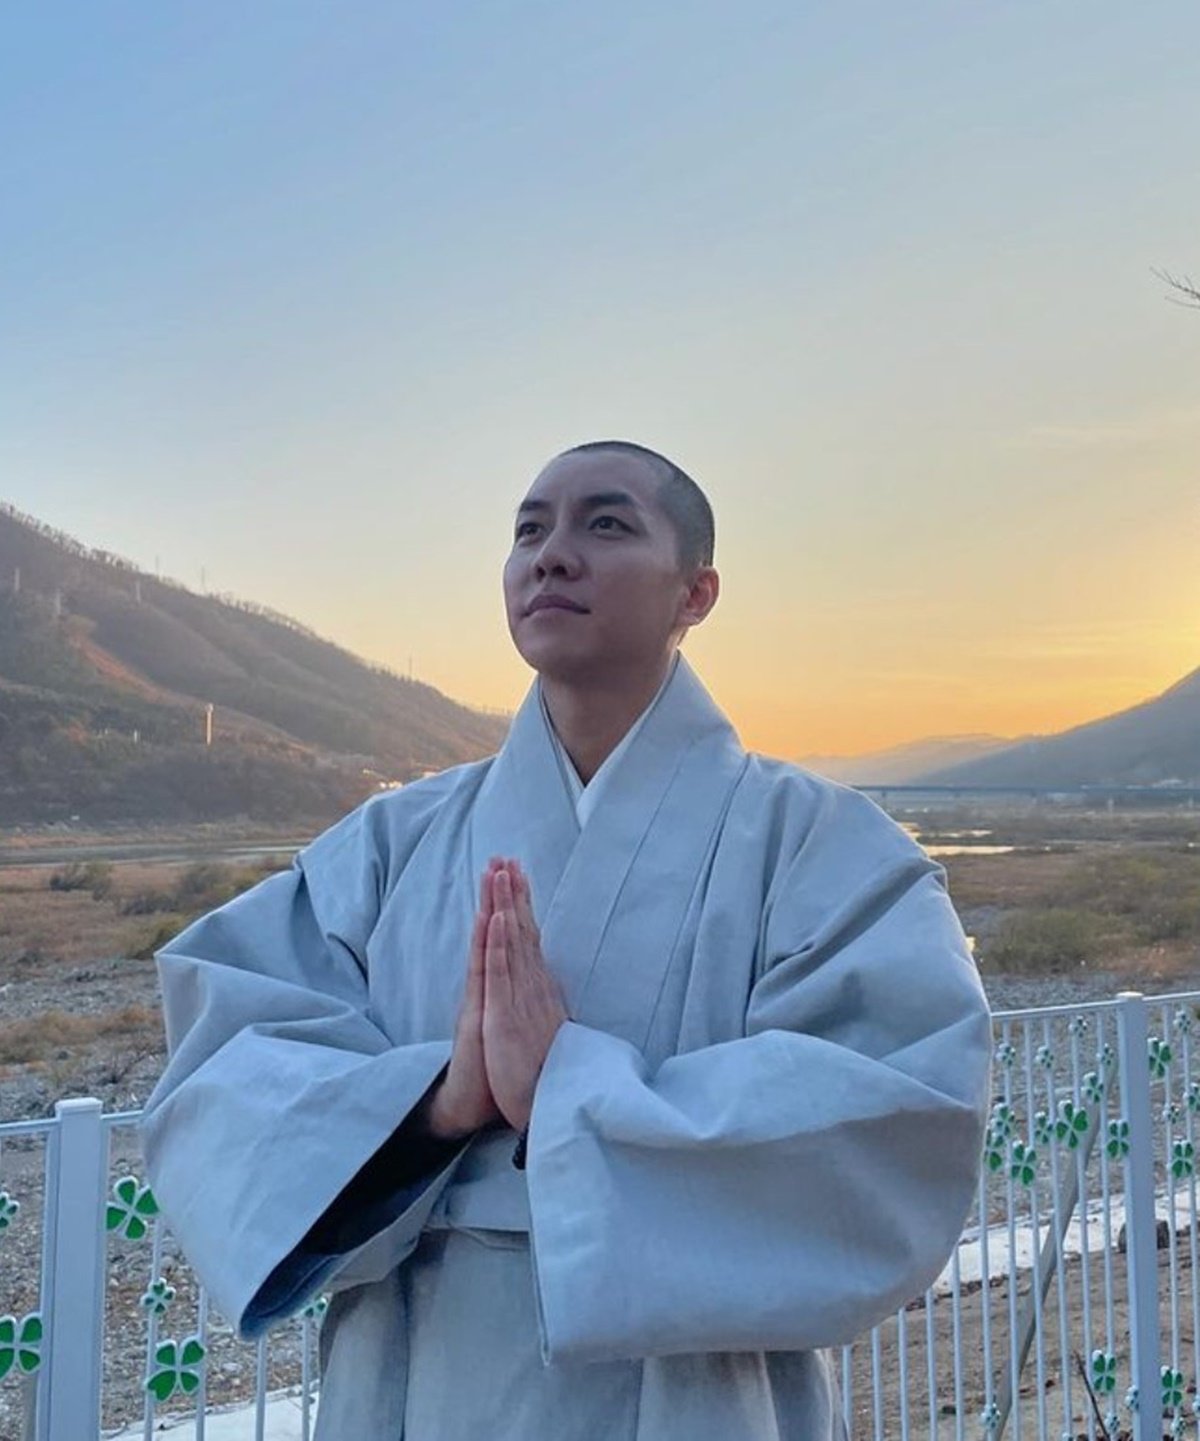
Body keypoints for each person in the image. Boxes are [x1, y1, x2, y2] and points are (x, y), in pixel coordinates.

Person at [142, 440, 991, 1440]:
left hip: (702, 1400)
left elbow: (900, 1114)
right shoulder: (388, 844)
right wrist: (436, 1103)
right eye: (529, 530)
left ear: (696, 592)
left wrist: (567, 1089)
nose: (550, 553)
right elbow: (226, 1063)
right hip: (416, 1383)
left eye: (607, 523)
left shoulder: (820, 845)